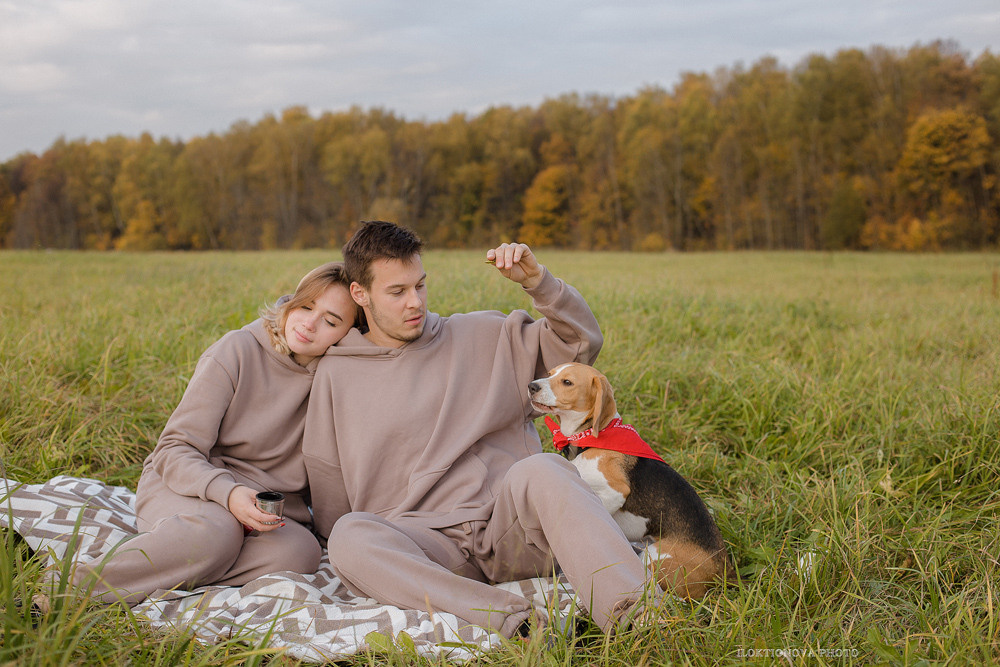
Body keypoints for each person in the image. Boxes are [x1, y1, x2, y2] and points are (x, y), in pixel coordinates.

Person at [302, 221, 661, 639]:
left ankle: (636, 618)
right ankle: (513, 620)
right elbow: (327, 477)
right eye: (397, 292)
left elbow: (581, 345)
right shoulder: (336, 372)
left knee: (545, 468)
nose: (414, 302)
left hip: (512, 530)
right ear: (360, 294)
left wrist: (538, 282)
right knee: (349, 536)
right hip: (427, 548)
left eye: (420, 285)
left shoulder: (486, 334)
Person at [46, 262, 358, 608]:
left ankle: (175, 570)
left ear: (348, 336)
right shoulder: (237, 350)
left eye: (331, 321)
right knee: (217, 534)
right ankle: (68, 590)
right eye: (305, 306)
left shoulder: (335, 383)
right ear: (292, 302)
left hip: (260, 513)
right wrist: (229, 494)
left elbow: (332, 473)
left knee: (299, 552)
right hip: (188, 485)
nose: (309, 324)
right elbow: (174, 449)